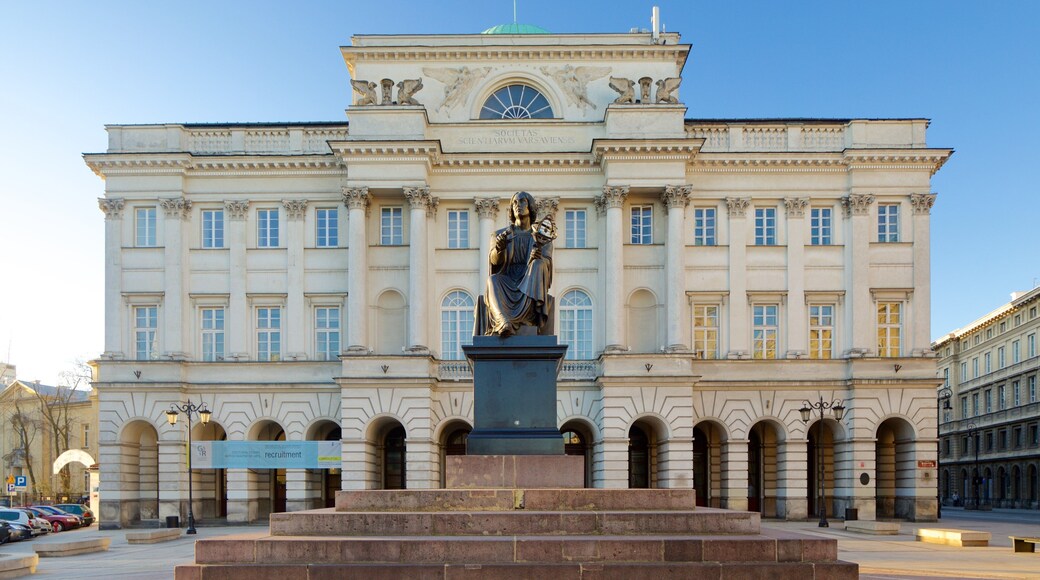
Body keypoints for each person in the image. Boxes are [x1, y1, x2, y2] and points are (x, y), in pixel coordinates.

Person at [475, 191, 554, 337]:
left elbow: (547, 263)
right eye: (515, 203)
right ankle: (503, 321)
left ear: (530, 206)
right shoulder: (500, 234)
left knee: (538, 265)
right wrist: (500, 248)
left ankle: (527, 318)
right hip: (508, 280)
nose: (518, 205)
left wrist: (538, 258)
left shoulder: (542, 237)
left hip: (530, 280)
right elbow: (494, 262)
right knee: (492, 280)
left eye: (523, 201)